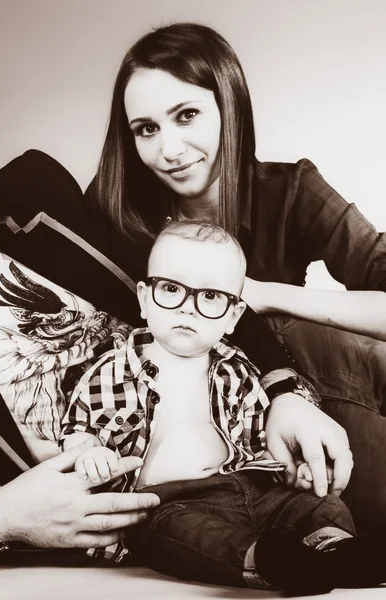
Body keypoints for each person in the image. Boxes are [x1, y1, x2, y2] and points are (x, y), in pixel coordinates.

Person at [0, 73, 348, 568]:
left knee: (364, 368)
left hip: (245, 441)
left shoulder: (37, 192)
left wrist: (288, 393)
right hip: (159, 523)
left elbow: (194, 284)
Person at [84, 21, 386, 531]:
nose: (170, 150)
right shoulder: (120, 216)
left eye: (187, 116)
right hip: (218, 415)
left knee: (333, 342)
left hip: (320, 378)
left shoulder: (290, 190)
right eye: (147, 129)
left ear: (230, 106)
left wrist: (265, 295)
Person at [60, 219, 385, 593]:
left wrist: (293, 472)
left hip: (245, 486)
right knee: (186, 535)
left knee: (317, 503)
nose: (189, 308)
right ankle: (266, 562)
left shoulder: (239, 371)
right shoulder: (111, 371)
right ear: (144, 299)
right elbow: (76, 429)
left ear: (233, 316)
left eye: (211, 296)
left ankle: (336, 549)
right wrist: (88, 452)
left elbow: (262, 441)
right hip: (167, 501)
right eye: (171, 288)